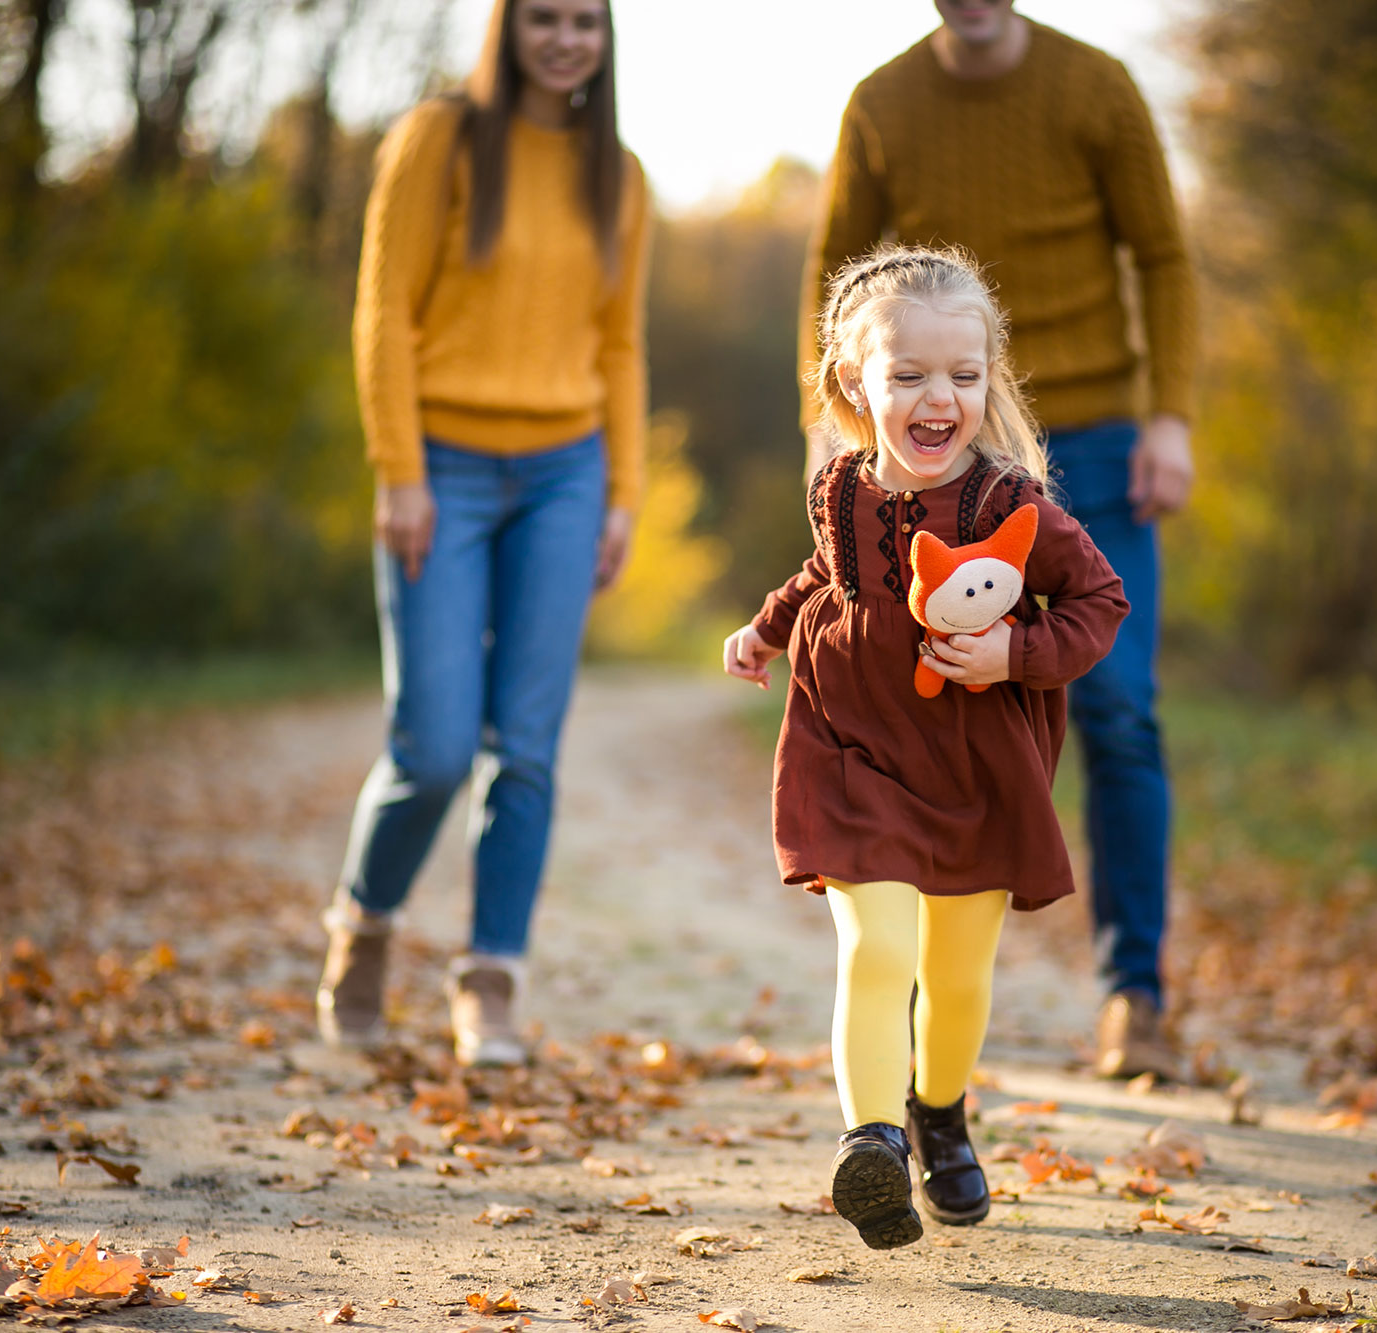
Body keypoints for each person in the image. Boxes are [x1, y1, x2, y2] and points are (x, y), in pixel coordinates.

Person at [800, 0, 1200, 1081]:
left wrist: (1168, 416)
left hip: (1097, 432)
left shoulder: (1096, 86)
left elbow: (1159, 256)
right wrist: (825, 429)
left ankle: (1133, 997)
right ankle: (920, 968)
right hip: (937, 436)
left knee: (1117, 709)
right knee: (923, 687)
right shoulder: (879, 104)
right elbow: (834, 267)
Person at [726, 246, 1127, 1249]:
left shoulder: (1011, 507)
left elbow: (1099, 602)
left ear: (988, 381)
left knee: (953, 975)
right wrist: (766, 630)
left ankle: (936, 1111)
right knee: (878, 947)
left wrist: (1015, 651)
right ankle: (870, 1142)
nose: (935, 397)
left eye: (961, 373)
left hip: (974, 766)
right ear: (851, 386)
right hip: (852, 747)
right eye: (905, 375)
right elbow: (824, 575)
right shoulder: (839, 491)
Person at [316, 0, 649, 1067]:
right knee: (435, 744)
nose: (565, 39)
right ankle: (363, 926)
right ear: (505, 28)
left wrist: (623, 492)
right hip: (443, 474)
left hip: (564, 472)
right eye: (543, 19)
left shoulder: (621, 175)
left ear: (605, 38)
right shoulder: (437, 139)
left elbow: (622, 345)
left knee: (529, 748)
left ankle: (490, 982)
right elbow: (382, 314)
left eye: (585, 22)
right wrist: (400, 470)